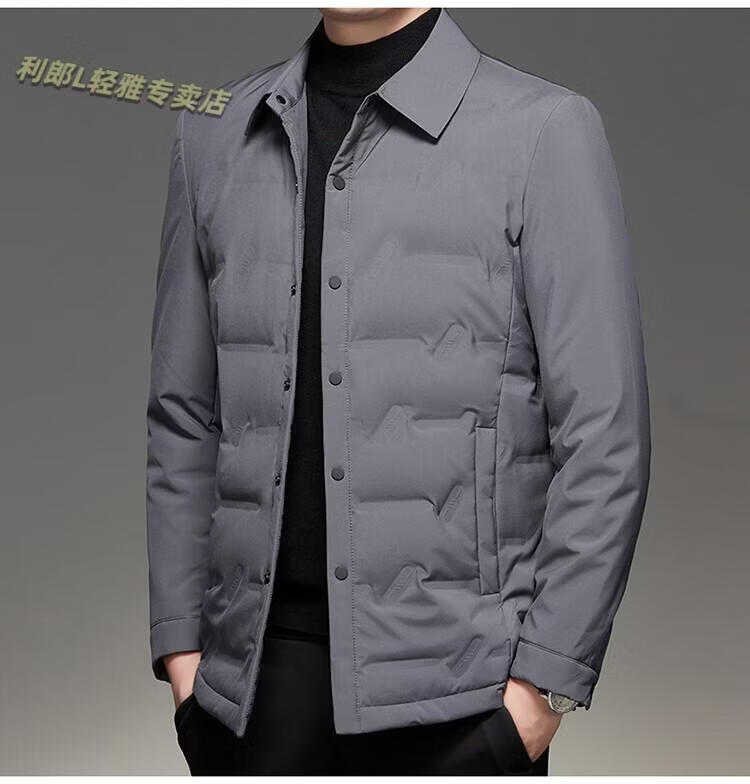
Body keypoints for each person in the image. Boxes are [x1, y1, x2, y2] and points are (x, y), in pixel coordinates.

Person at [146, 6, 651, 775]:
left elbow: (605, 435)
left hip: (464, 702)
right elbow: (184, 415)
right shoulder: (214, 134)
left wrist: (539, 695)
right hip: (249, 697)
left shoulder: (542, 131)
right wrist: (184, 657)